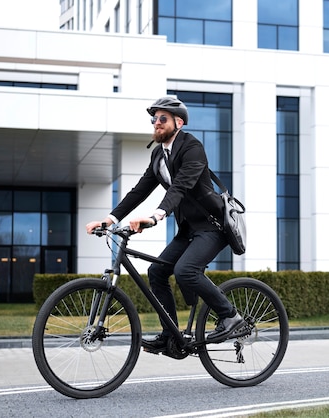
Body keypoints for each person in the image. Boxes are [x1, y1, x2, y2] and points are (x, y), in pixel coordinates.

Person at [85, 96, 244, 351]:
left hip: (211, 227)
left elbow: (181, 187)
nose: (156, 123)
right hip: (188, 229)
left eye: (162, 118)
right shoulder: (159, 153)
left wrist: (155, 216)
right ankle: (170, 335)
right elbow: (140, 190)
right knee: (157, 272)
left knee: (185, 271)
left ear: (178, 122)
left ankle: (231, 317)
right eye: (154, 119)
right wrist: (109, 219)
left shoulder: (192, 147)